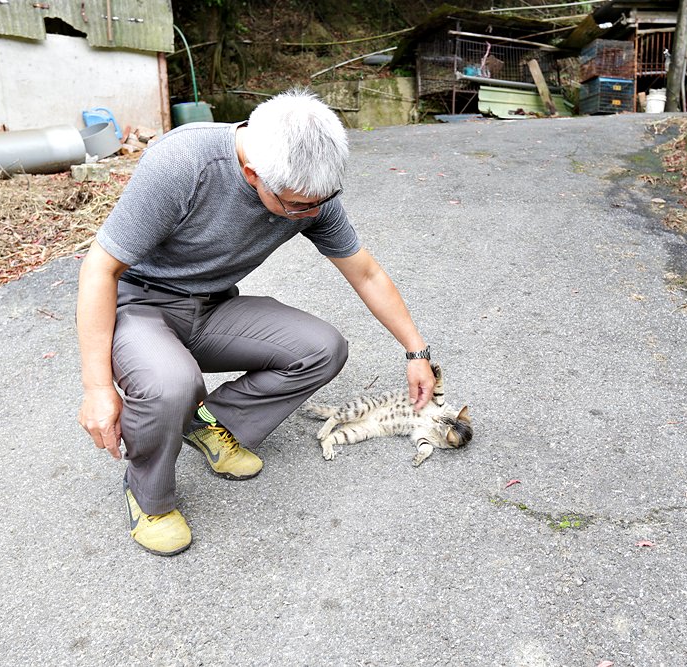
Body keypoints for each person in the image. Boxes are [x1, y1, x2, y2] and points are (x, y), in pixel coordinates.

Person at [76, 89, 434, 556]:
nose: (310, 214)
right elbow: (98, 269)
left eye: (319, 203)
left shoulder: (310, 193)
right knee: (170, 384)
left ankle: (205, 423)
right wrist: (98, 389)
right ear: (252, 174)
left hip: (211, 305)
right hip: (139, 306)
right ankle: (150, 497)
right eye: (296, 205)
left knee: (322, 348)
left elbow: (365, 272)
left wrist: (416, 351)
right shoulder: (184, 163)